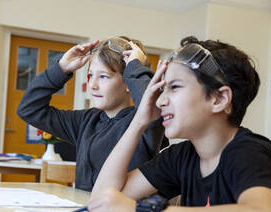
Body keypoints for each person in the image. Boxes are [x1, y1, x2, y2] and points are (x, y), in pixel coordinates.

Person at [88, 36, 271, 212]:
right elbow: (102, 200)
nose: (160, 101)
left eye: (175, 87)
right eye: (163, 89)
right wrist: (139, 120)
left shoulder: (249, 153)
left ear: (219, 99)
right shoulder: (182, 155)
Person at [17, 36, 167, 191]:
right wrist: (61, 68)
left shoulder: (145, 122)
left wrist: (134, 67)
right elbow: (29, 109)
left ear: (128, 82)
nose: (93, 85)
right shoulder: (85, 121)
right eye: (90, 75)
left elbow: (150, 105)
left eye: (103, 76)